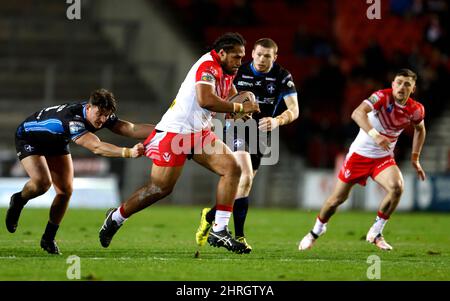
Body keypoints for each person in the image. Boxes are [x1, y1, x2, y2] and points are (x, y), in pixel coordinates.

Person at [98, 32, 260, 254]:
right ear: (221, 53)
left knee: (233, 168)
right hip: (177, 133)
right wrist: (240, 108)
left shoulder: (227, 68)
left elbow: (229, 96)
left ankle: (219, 229)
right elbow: (206, 99)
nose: (240, 62)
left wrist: (240, 104)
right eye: (236, 57)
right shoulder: (208, 66)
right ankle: (115, 217)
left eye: (242, 57)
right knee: (159, 188)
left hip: (199, 132)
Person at [6, 89, 154, 254]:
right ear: (89, 107)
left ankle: (48, 239)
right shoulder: (73, 120)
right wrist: (128, 152)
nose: (103, 119)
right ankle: (18, 200)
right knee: (42, 183)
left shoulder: (100, 113)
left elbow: (131, 129)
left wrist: (165, 131)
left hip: (56, 140)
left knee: (65, 191)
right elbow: (96, 147)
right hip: (29, 137)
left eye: (107, 115)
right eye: (99, 114)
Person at [298, 69, 426, 251]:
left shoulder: (415, 109)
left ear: (413, 88)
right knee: (336, 200)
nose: (402, 87)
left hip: (382, 158)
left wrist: (415, 157)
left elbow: (420, 130)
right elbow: (357, 113)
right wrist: (376, 135)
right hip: (359, 156)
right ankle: (316, 231)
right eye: (399, 82)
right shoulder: (382, 96)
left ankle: (376, 232)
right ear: (393, 84)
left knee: (397, 187)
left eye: (407, 84)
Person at [195, 38, 299, 253]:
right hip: (238, 128)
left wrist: (277, 120)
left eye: (267, 56)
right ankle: (238, 236)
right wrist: (232, 111)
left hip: (262, 132)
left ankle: (210, 216)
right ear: (253, 53)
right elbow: (217, 97)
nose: (262, 59)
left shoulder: (282, 76)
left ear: (275, 57)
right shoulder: (237, 71)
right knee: (245, 175)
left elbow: (294, 110)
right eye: (259, 54)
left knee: (243, 186)